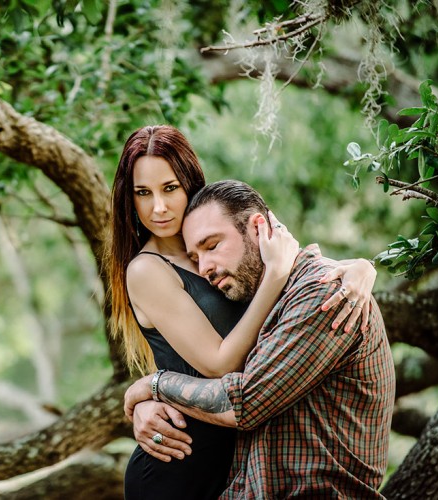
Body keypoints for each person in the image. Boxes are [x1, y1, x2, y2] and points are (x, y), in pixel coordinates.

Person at [108, 125, 377, 499]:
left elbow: (292, 267)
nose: (158, 207)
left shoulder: (218, 237)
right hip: (180, 464)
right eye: (143, 193)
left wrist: (361, 266)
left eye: (169, 188)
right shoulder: (147, 270)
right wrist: (148, 391)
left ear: (190, 183)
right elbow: (219, 364)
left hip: (238, 461)